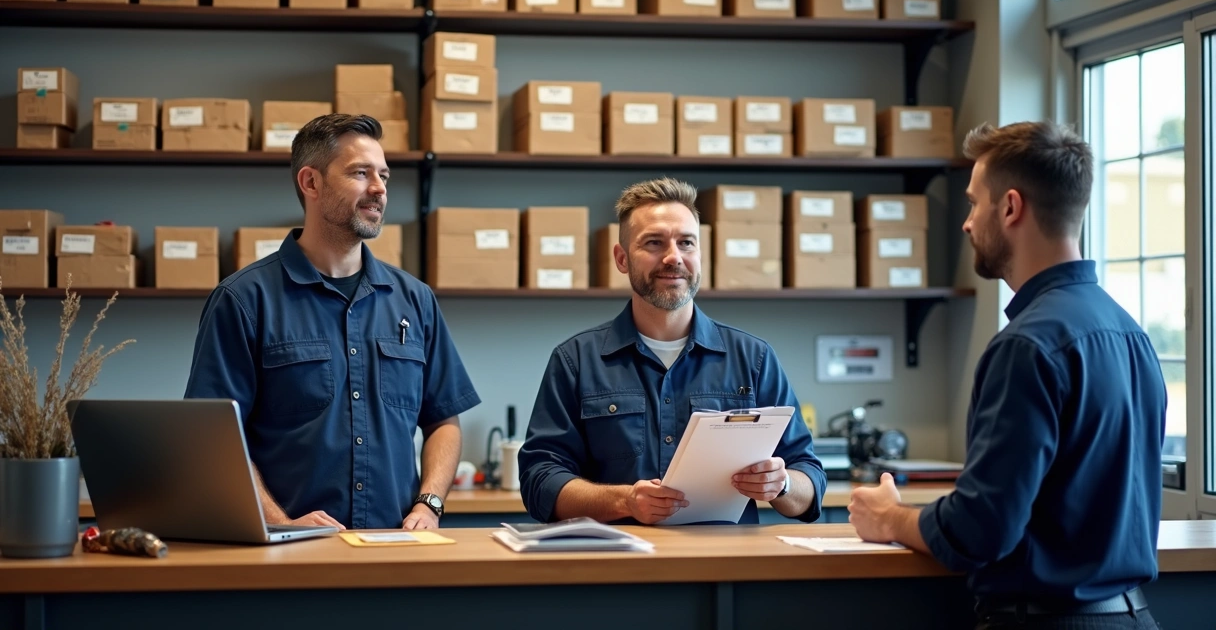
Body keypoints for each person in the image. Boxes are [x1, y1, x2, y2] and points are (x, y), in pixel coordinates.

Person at [848, 121, 1166, 629]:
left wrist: (889, 518)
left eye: (975, 203)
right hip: (1133, 617)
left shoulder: (1026, 345)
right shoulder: (1130, 333)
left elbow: (979, 531)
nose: (967, 223)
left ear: (1012, 207)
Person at [184, 114, 480, 531]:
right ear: (311, 183)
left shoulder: (415, 300)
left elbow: (443, 421)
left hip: (394, 547)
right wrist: (280, 523)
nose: (379, 189)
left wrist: (428, 504)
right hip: (287, 557)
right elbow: (213, 439)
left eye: (384, 175)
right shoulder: (244, 301)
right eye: (360, 173)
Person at [517, 177, 827, 525]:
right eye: (653, 243)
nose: (672, 257)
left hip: (723, 567)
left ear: (700, 255)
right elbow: (539, 481)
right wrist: (623, 500)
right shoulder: (575, 361)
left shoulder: (753, 359)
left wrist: (781, 484)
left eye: (686, 243)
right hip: (613, 563)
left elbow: (809, 479)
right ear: (621, 259)